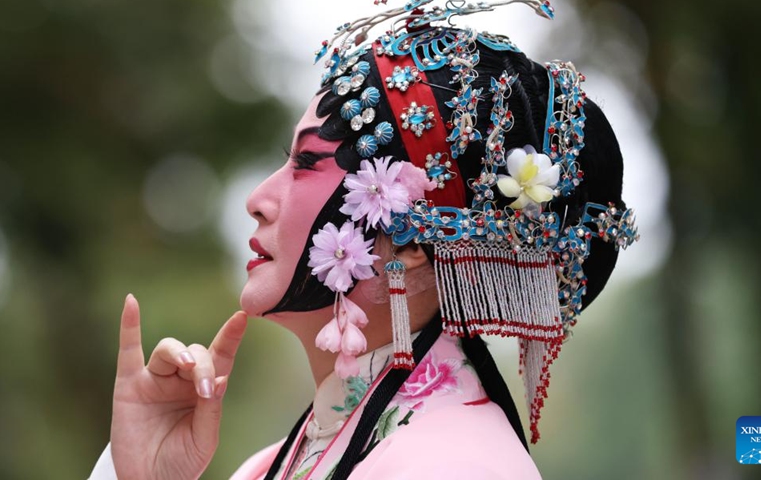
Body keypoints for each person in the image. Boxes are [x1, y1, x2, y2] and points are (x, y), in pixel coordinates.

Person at [89, 2, 639, 479]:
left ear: (414, 240)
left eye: (306, 162)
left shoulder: (454, 467)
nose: (257, 198)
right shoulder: (272, 465)